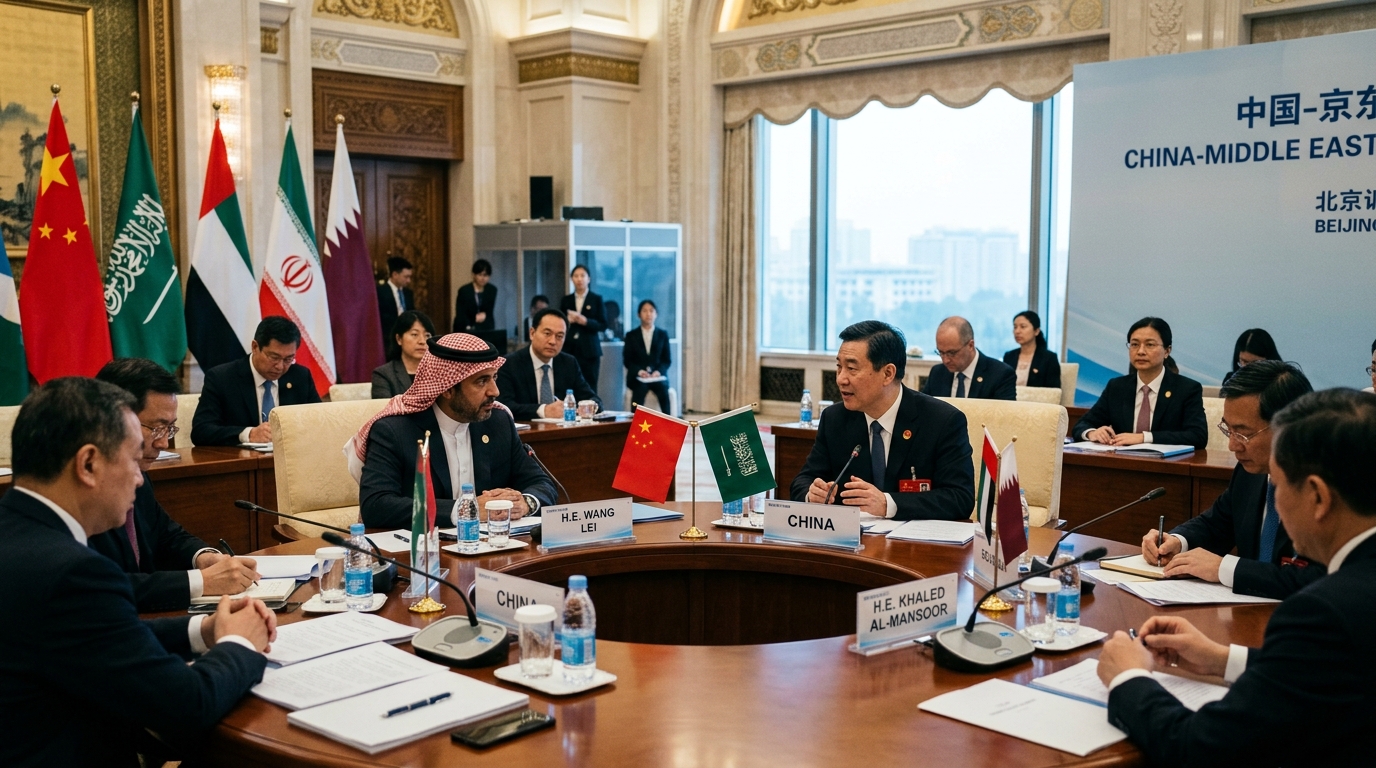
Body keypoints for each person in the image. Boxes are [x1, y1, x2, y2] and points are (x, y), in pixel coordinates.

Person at [0, 377, 274, 767]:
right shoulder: (72, 572)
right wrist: (240, 644)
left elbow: (96, 635)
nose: (140, 477)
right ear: (89, 464)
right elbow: (187, 704)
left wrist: (204, 631)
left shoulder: (17, 531)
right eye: (132, 459)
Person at [1096, 388, 1376, 767]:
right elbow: (1333, 669)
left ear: (1317, 497)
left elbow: (1201, 749)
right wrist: (1222, 659)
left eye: (1278, 485)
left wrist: (1127, 679)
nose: (1273, 500)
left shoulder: (1323, 613)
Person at [1140, 361, 1323, 599]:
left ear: (1289, 428)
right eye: (1228, 430)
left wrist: (1226, 569)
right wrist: (1176, 541)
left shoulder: (1329, 487)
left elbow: (1321, 579)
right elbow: (1218, 523)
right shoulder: (1250, 472)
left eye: (1243, 433)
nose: (1232, 445)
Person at [93, 358, 261, 611]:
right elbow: (103, 588)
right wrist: (200, 582)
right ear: (114, 419)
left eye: (169, 429)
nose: (163, 444)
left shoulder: (135, 470)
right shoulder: (83, 490)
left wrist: (204, 557)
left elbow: (165, 534)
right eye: (157, 428)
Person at [356, 333, 557, 528]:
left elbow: (541, 483)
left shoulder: (498, 422)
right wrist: (465, 509)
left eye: (494, 378)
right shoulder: (394, 431)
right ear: (447, 388)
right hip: (424, 553)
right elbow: (376, 506)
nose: (495, 391)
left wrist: (525, 503)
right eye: (481, 381)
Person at [791, 321, 974, 521]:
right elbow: (803, 480)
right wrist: (812, 494)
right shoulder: (835, 418)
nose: (841, 379)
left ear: (888, 374)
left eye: (852, 368)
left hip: (913, 547)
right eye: (839, 367)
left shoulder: (941, 421)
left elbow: (960, 498)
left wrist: (888, 504)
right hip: (852, 544)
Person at [1072, 317, 1208, 448]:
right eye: (1135, 344)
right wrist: (1092, 433)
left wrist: (1144, 438)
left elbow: (1197, 436)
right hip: (1123, 463)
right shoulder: (1117, 387)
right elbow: (1082, 425)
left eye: (1149, 345)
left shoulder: (1187, 389)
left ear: (1167, 351)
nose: (1141, 351)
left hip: (1168, 466)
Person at [191, 315, 321, 446]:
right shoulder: (222, 378)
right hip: (243, 462)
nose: (280, 366)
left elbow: (322, 421)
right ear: (254, 347)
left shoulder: (300, 377)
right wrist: (249, 434)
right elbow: (201, 431)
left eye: (288, 359)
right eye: (274, 357)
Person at [497, 308, 600, 420]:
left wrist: (589, 407)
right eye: (547, 333)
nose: (553, 341)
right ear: (532, 333)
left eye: (559, 336)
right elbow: (503, 406)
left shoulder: (569, 363)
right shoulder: (509, 364)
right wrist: (544, 410)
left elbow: (592, 398)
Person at [922, 316, 1016, 401]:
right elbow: (925, 410)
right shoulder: (937, 373)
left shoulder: (1000, 374)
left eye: (952, 353)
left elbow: (1004, 417)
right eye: (941, 352)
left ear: (970, 345)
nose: (945, 360)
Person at [559, 264, 607, 389]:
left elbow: (603, 324)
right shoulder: (566, 300)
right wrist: (567, 320)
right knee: (568, 385)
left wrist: (585, 321)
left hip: (590, 350)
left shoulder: (596, 299)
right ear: (571, 279)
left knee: (590, 385)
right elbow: (559, 323)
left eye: (582, 276)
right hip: (569, 349)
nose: (579, 279)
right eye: (576, 276)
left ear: (588, 279)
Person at [372, 310, 436, 399]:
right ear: (399, 339)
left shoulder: (439, 371)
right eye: (414, 334)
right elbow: (383, 410)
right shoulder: (383, 374)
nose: (422, 341)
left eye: (427, 335)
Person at [624, 299, 671, 409]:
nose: (648, 314)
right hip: (637, 377)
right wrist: (640, 372)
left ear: (656, 314)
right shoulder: (631, 335)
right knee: (639, 390)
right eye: (644, 311)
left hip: (657, 377)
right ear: (638, 314)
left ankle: (668, 424)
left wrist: (658, 372)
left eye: (651, 311)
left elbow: (666, 360)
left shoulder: (662, 335)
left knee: (664, 390)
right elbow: (627, 360)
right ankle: (634, 423)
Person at [1002, 310, 1061, 388]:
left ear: (1036, 331)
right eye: (1015, 327)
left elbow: (1053, 392)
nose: (1017, 331)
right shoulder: (1009, 356)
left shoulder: (1049, 358)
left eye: (1023, 327)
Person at [376, 256, 415, 343]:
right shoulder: (380, 292)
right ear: (395, 275)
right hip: (387, 337)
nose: (408, 281)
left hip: (406, 336)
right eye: (406, 277)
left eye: (410, 277)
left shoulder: (408, 293)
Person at [454, 258, 497, 333]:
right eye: (480, 275)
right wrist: (474, 318)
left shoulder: (492, 290)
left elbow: (489, 312)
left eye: (485, 275)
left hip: (484, 327)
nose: (483, 278)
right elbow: (460, 314)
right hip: (465, 327)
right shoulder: (464, 290)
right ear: (474, 275)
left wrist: (484, 316)